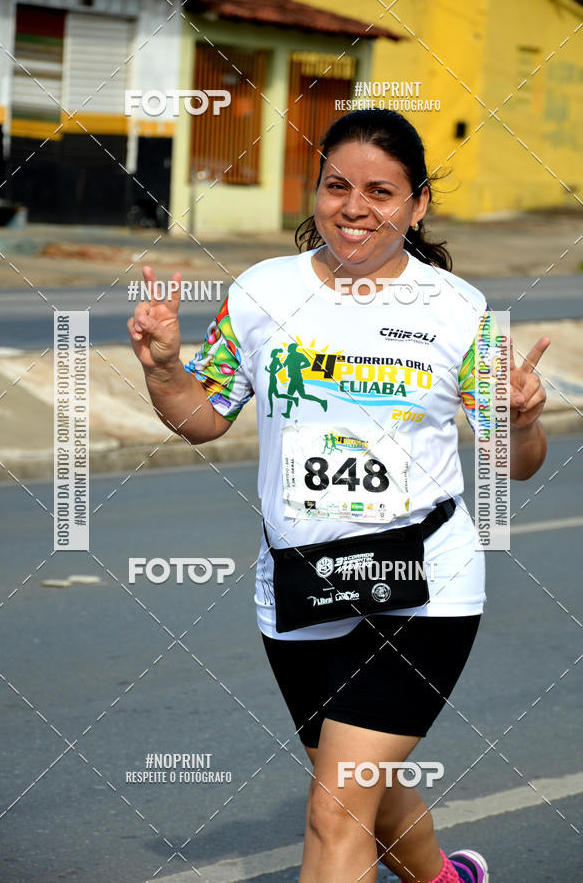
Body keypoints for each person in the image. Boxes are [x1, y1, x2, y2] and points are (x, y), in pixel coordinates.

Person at [128, 109, 550, 883]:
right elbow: (202, 419)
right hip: (301, 583)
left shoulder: (461, 310)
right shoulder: (261, 293)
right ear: (316, 192)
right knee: (367, 793)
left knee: (336, 809)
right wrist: (162, 370)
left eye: (380, 192)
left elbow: (515, 464)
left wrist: (522, 422)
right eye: (337, 186)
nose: (354, 208)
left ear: (417, 205)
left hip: (422, 580)